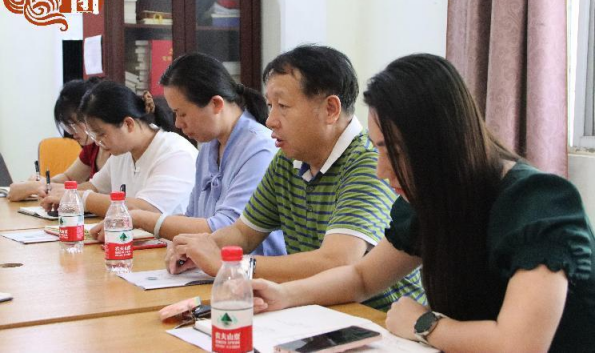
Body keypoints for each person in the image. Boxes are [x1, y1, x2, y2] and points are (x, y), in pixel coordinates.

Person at [249, 54, 595, 353]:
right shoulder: (434, 196)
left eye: (394, 152)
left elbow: (520, 345)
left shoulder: (539, 204)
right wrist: (285, 294)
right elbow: (362, 277)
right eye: (379, 149)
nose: (382, 171)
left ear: (443, 143)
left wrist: (425, 324)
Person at [166, 45, 425, 312]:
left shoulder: (368, 162)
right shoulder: (289, 160)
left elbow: (337, 261)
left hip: (374, 318)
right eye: (270, 106)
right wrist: (200, 248)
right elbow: (243, 232)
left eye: (283, 106)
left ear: (330, 109)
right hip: (315, 310)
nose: (270, 120)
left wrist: (233, 264)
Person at [90, 53, 285, 256]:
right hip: (211, 267)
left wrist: (140, 218)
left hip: (251, 270)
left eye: (182, 113)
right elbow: (192, 216)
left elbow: (228, 228)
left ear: (216, 104)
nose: (177, 123)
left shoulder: (259, 149)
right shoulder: (209, 147)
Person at [42, 81, 197, 217]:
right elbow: (95, 187)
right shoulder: (122, 153)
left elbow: (145, 209)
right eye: (94, 136)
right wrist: (64, 195)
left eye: (102, 134)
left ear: (128, 124)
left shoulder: (175, 154)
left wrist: (80, 198)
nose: (98, 143)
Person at [8, 78, 110, 201]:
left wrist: (38, 187)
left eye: (73, 125)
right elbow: (68, 177)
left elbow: (92, 189)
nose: (71, 133)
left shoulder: (116, 149)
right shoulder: (92, 147)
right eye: (66, 127)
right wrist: (43, 183)